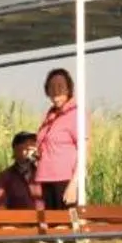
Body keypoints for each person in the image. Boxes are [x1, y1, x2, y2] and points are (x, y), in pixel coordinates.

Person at [34, 69, 80, 210]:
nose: (56, 91)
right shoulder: (50, 115)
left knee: (65, 225)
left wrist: (74, 183)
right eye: (52, 87)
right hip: (45, 178)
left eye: (60, 86)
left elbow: (84, 150)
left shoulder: (75, 113)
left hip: (64, 180)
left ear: (68, 89)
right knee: (51, 226)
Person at [0, 131, 40, 210]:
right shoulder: (5, 177)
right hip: (17, 221)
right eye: (27, 147)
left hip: (43, 220)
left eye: (33, 147)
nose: (31, 152)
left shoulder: (43, 174)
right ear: (16, 149)